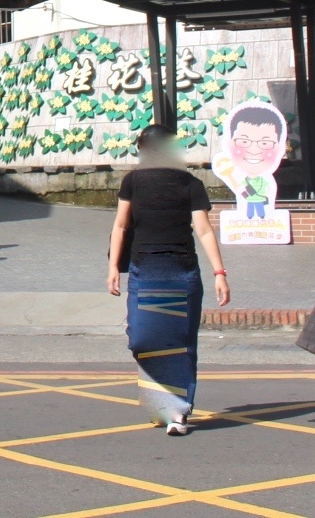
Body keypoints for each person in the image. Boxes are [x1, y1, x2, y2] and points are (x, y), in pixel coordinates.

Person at [105, 124, 231, 436]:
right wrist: (112, 268)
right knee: (141, 338)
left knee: (181, 343)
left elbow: (203, 230)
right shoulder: (133, 182)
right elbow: (121, 226)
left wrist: (219, 273)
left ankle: (177, 412)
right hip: (143, 270)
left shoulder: (190, 183)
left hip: (181, 271)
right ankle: (160, 404)